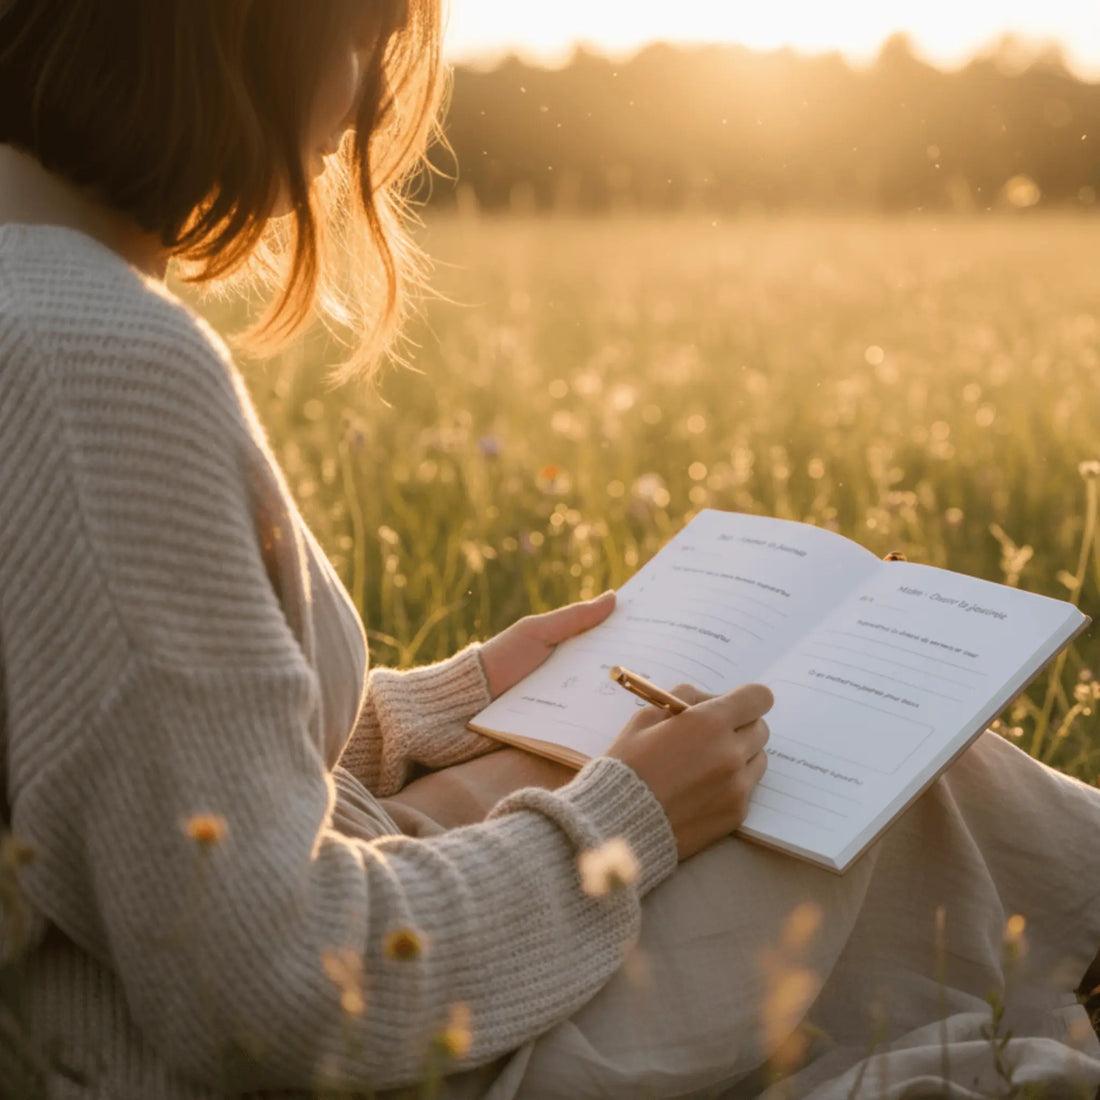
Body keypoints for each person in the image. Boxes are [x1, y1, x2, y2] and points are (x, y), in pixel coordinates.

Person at [0, 2, 1097, 1098]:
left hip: (322, 919)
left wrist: (443, 704)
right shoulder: (96, 365)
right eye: (352, 37)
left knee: (813, 767)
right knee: (869, 772)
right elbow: (277, 987)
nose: (358, 103)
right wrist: (626, 821)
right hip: (332, 1052)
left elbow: (127, 771)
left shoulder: (41, 312)